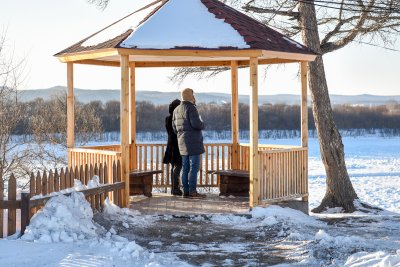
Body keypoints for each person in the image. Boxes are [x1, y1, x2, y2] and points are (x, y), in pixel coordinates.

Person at [172, 88, 206, 199]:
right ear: (190, 96)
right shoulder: (191, 108)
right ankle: (192, 191)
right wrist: (202, 123)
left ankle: (186, 191)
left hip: (182, 143)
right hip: (194, 144)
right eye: (193, 95)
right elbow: (197, 124)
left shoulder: (176, 110)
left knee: (185, 167)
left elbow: (174, 128)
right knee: (194, 168)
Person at [163, 99, 183, 196]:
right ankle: (175, 189)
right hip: (177, 144)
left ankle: (174, 188)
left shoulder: (167, 118)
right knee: (178, 166)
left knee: (173, 167)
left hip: (170, 144)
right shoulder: (177, 118)